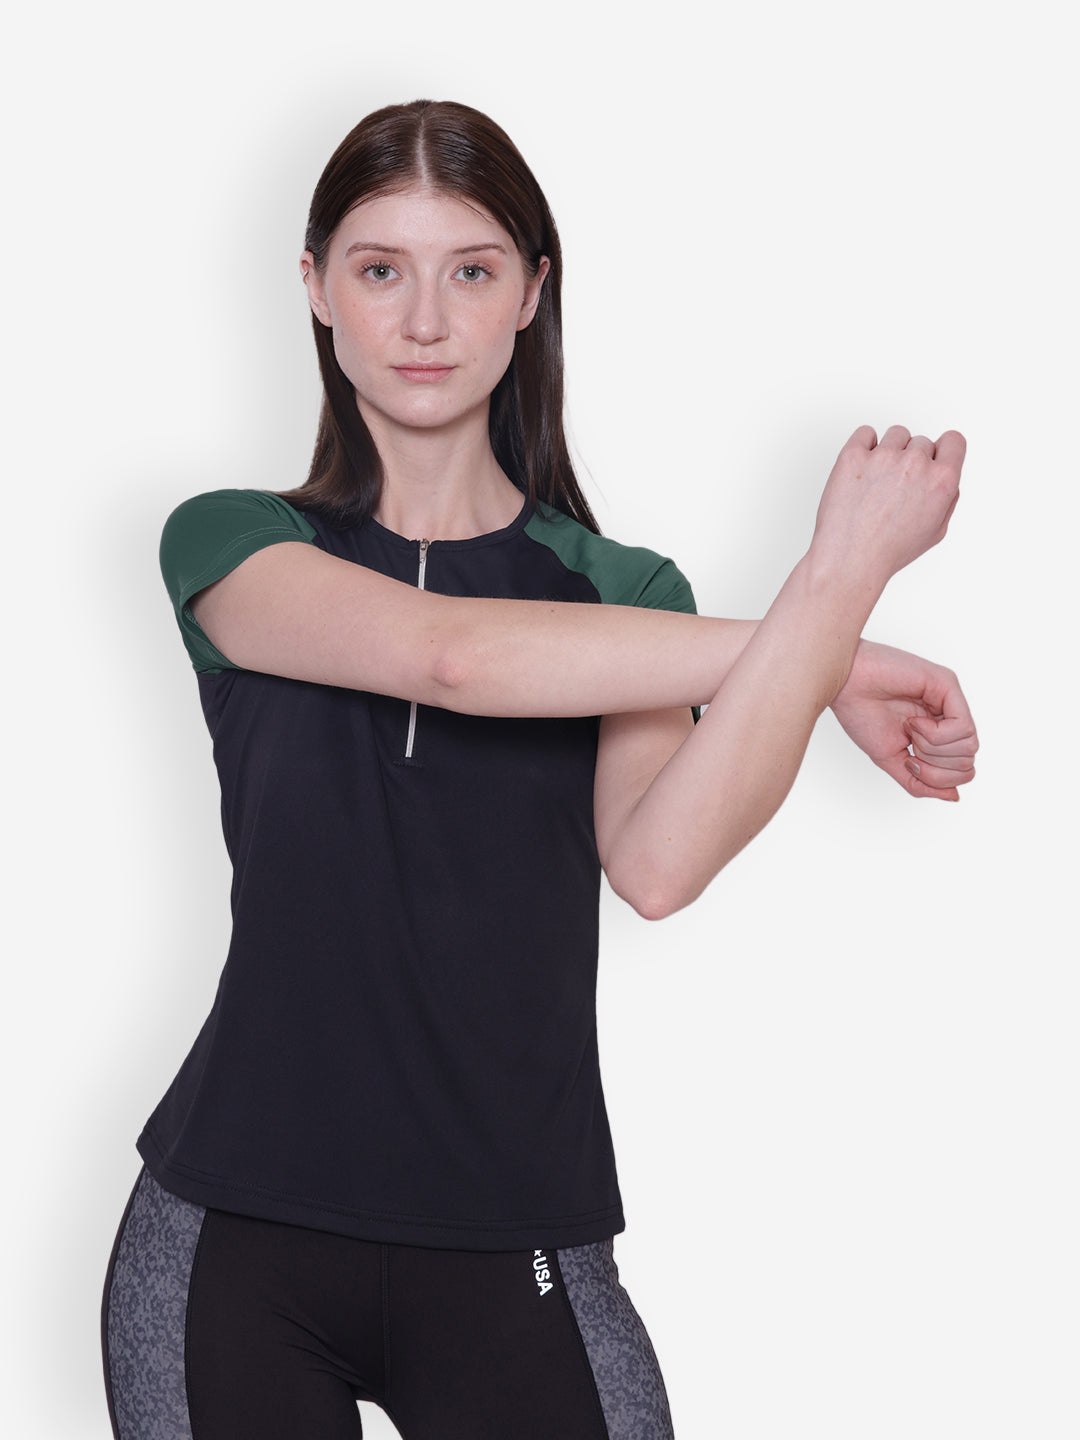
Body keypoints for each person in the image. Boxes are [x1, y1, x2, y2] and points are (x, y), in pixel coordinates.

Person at [101, 99, 976, 1440]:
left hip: (518, 1244)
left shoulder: (627, 597)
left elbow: (661, 865)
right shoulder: (233, 543)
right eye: (380, 269)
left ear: (531, 293)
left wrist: (833, 596)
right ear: (317, 290)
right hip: (233, 1237)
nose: (425, 320)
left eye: (472, 269)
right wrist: (824, 645)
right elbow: (450, 656)